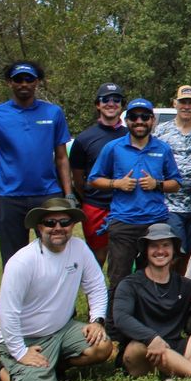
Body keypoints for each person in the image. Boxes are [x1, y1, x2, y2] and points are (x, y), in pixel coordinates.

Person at [0, 198, 112, 381]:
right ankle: (0, 369)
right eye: (50, 223)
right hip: (24, 338)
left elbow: (96, 286)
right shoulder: (22, 262)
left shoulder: (79, 248)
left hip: (61, 330)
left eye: (64, 222)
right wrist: (20, 352)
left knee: (103, 346)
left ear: (72, 225)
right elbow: (7, 312)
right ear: (39, 227)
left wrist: (97, 320)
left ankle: (49, 365)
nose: (58, 228)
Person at [0, 61, 72, 267]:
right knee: (14, 261)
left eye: (29, 79)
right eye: (18, 79)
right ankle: (18, 300)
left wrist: (68, 195)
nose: (24, 84)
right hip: (9, 197)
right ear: (9, 82)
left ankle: (51, 299)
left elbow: (61, 157)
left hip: (47, 195)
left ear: (37, 82)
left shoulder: (53, 113)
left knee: (54, 257)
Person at [113, 223, 191, 381]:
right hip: (142, 351)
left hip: (174, 348)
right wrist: (151, 338)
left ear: (174, 250)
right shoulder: (130, 284)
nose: (160, 251)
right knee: (137, 347)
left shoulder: (185, 285)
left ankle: (184, 374)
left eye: (166, 245)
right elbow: (121, 318)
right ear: (146, 251)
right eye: (154, 246)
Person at [87, 98, 182, 302]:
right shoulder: (113, 148)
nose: (139, 121)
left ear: (152, 121)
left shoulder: (163, 149)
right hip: (124, 222)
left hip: (155, 222)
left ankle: (150, 321)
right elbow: (93, 179)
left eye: (145, 117)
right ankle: (114, 327)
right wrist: (116, 184)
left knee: (155, 276)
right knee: (119, 278)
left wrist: (157, 184)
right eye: (134, 117)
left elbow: (176, 183)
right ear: (127, 120)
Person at [68, 82, 127, 265]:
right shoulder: (84, 138)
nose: (111, 103)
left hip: (126, 206)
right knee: (97, 257)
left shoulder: (131, 135)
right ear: (98, 104)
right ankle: (94, 294)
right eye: (106, 100)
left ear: (122, 105)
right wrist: (89, 196)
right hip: (96, 206)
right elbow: (77, 177)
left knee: (122, 257)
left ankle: (119, 294)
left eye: (116, 100)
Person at [154, 85, 191, 262]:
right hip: (171, 205)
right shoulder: (161, 131)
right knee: (174, 252)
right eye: (183, 102)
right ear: (175, 103)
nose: (186, 106)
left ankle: (188, 288)